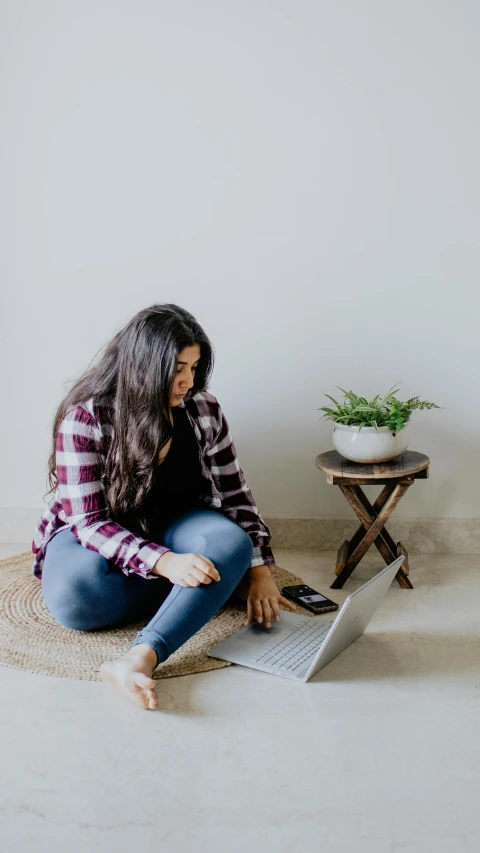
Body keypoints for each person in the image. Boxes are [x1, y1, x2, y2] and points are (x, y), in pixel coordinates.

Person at [31, 303, 297, 710]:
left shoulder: (204, 410)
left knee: (232, 546)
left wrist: (259, 571)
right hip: (99, 532)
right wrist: (164, 563)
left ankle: (142, 656)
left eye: (194, 367)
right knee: (74, 599)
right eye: (177, 368)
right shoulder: (84, 418)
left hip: (177, 520)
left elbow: (235, 494)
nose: (187, 381)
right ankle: (201, 592)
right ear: (143, 366)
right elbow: (89, 523)